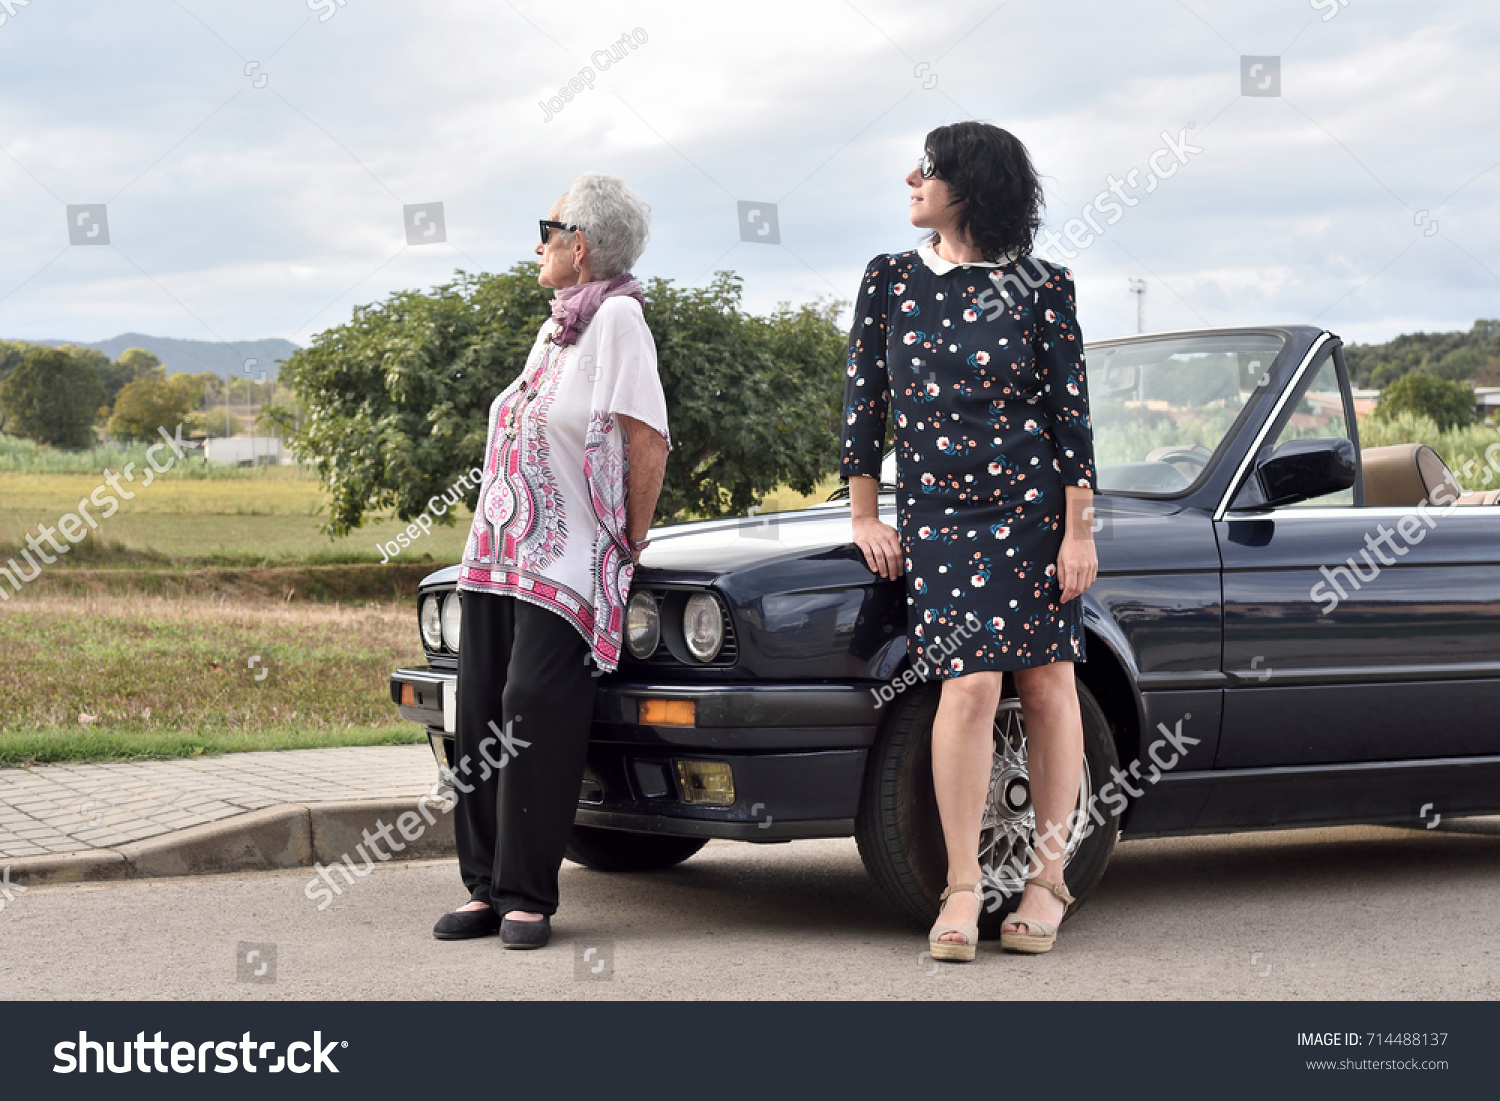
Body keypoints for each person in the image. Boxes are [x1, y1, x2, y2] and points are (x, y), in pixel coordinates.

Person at [841, 122, 1098, 961]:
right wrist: (865, 515)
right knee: (969, 687)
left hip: (1031, 515)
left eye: (932, 168)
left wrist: (1077, 531)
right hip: (941, 520)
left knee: (1050, 682)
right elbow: (863, 407)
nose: (912, 176)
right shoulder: (889, 280)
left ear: (972, 186)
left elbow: (1070, 421)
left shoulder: (1042, 287)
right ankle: (960, 884)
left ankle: (1048, 878)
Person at [432, 173, 670, 949]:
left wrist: (626, 543)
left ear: (582, 245)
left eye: (550, 227)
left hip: (567, 557)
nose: (538, 243)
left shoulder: (620, 320)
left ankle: (528, 893)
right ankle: (483, 887)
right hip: (499, 555)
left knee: (533, 705)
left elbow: (647, 440)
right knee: (479, 710)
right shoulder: (559, 324)